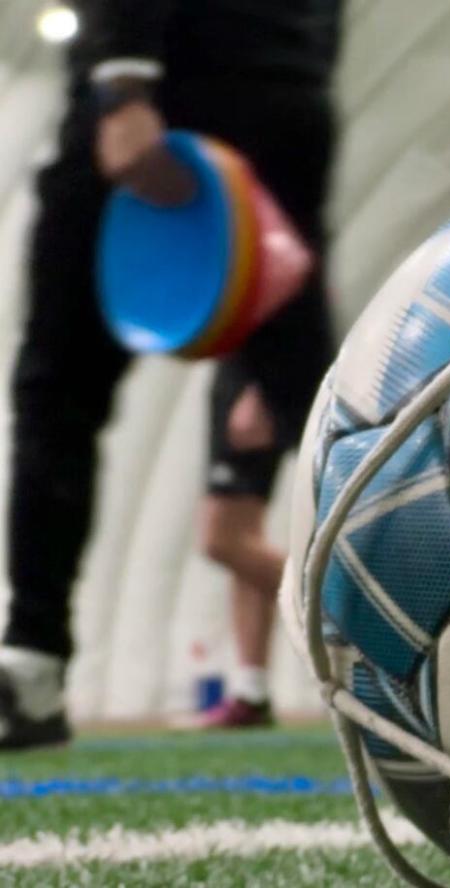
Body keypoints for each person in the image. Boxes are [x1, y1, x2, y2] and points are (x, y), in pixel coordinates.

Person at [0, 0, 342, 748]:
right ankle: (32, 659)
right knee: (318, 401)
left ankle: (413, 636)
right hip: (275, 88)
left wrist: (123, 85)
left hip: (206, 86)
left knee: (323, 404)